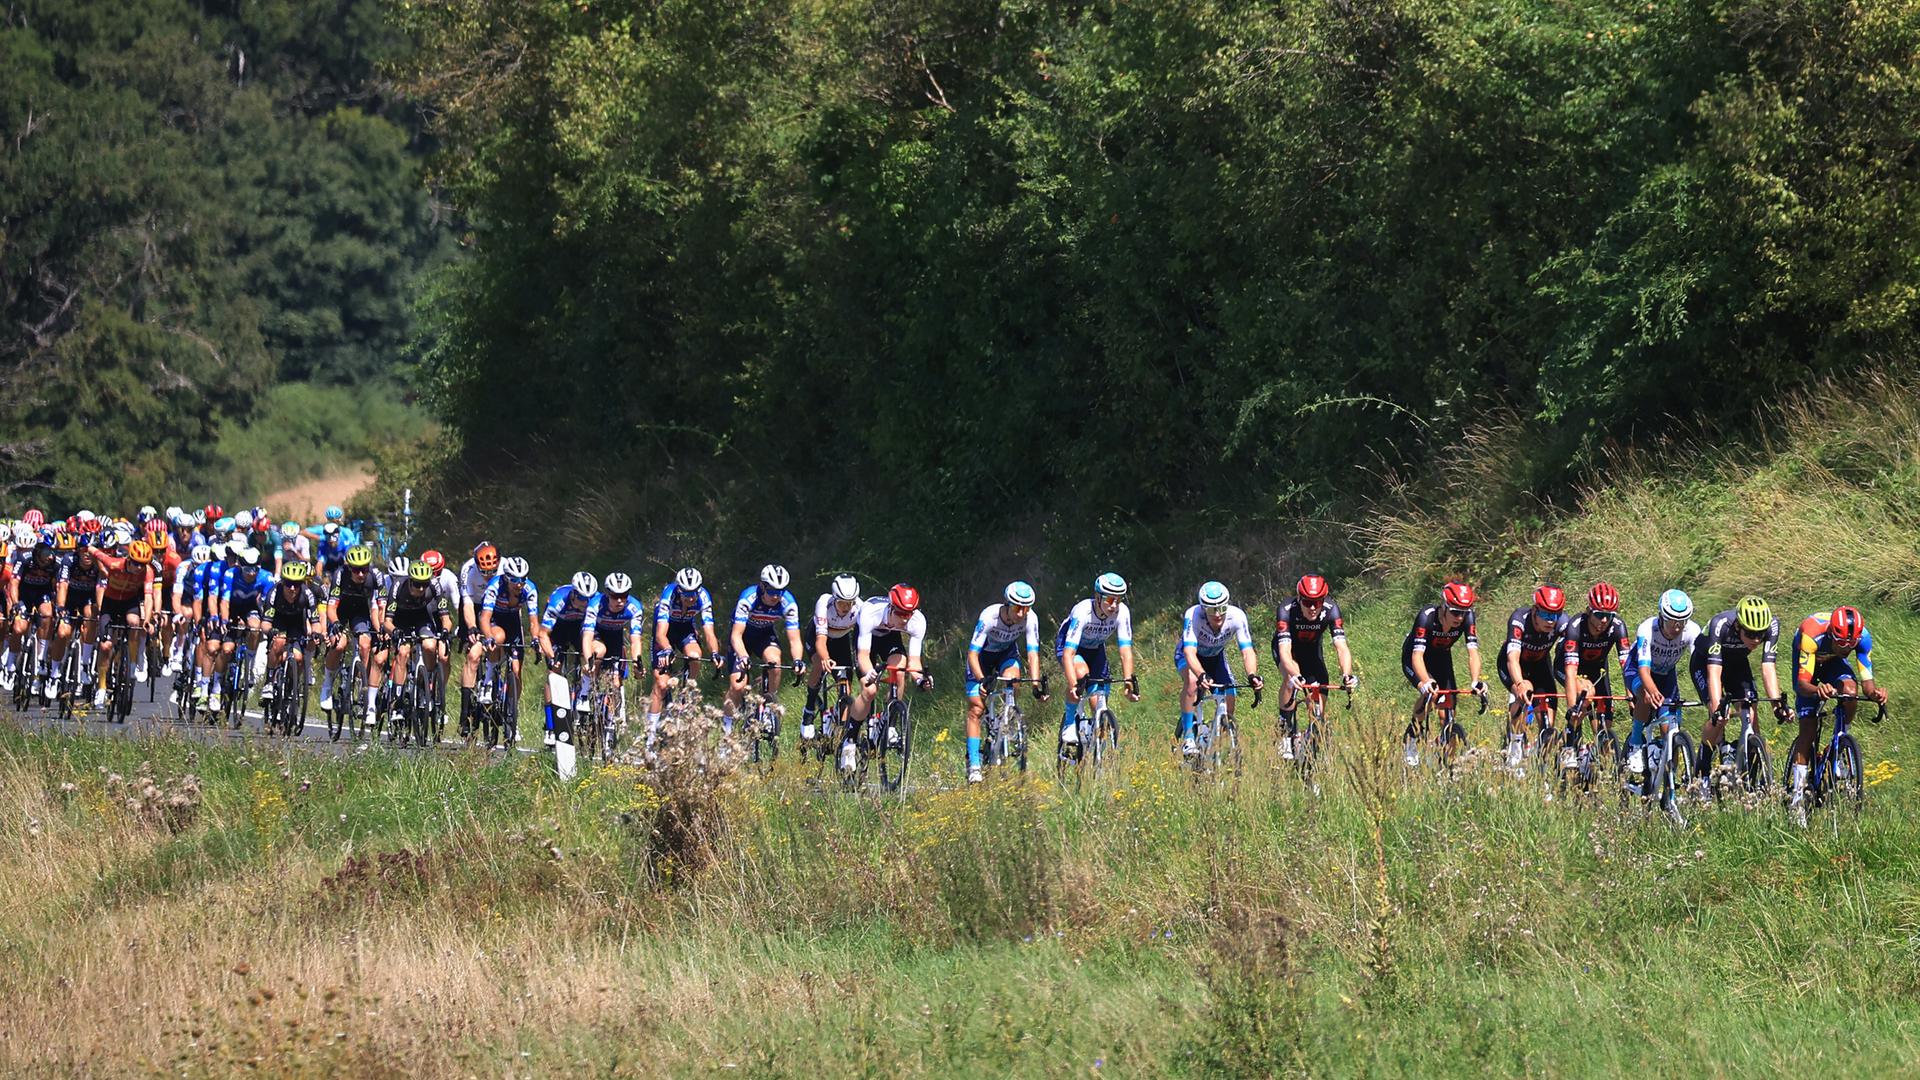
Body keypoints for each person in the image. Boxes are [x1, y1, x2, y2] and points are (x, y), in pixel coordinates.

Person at [1786, 605, 1885, 819]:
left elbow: (1867, 684)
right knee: (1808, 731)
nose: (1846, 649)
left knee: (1850, 691)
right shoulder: (1811, 635)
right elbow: (1802, 685)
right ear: (1832, 634)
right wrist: (1817, 689)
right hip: (1809, 662)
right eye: (1841, 643)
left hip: (1832, 664)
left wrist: (1875, 693)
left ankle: (1839, 744)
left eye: (1851, 645)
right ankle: (1797, 800)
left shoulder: (1863, 638)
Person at [1689, 595, 1786, 777]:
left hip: (1737, 663)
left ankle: (1752, 775)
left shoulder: (1772, 625)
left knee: (1750, 711)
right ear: (1737, 626)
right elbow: (1714, 672)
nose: (1756, 640)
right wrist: (1719, 708)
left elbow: (1768, 667)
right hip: (1705, 663)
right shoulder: (1721, 624)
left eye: (1760, 634)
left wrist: (1777, 706)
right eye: (1750, 634)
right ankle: (1702, 772)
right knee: (1718, 717)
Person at [963, 581, 1046, 783]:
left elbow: (1033, 654)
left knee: (1013, 680)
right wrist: (982, 680)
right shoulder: (989, 616)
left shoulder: (1030, 619)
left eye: (1027, 608)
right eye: (1018, 608)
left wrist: (1036, 684)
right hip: (981, 658)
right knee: (976, 708)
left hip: (1006, 655)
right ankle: (974, 764)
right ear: (1008, 604)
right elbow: (972, 654)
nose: (1022, 613)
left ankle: (1006, 716)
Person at [844, 584, 931, 772]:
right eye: (900, 613)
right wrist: (869, 673)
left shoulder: (917, 621)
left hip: (890, 638)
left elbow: (914, 663)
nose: (905, 619)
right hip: (866, 640)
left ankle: (889, 724)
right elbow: (863, 656)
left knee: (899, 671)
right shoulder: (871, 612)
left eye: (909, 614)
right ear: (891, 608)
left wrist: (920, 679)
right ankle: (849, 741)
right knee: (870, 690)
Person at [1174, 581, 1263, 759]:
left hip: (1216, 659)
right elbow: (1189, 652)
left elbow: (1247, 651)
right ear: (1203, 608)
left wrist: (1252, 675)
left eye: (1222, 608)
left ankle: (1218, 743)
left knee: (1229, 696)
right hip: (1190, 657)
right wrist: (1200, 674)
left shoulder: (1237, 616)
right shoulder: (1193, 615)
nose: (1217, 614)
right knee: (1192, 682)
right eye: (1211, 610)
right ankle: (1189, 738)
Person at [1270, 573, 1354, 761]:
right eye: (1308, 602)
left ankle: (1312, 743)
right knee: (1290, 679)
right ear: (1299, 598)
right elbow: (1284, 652)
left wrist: (1347, 675)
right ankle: (1284, 729)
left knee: (1318, 710)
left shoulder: (1332, 610)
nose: (1313, 607)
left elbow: (1341, 648)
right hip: (1288, 650)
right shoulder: (1286, 609)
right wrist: (1294, 674)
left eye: (1318, 601)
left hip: (1312, 651)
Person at [1401, 581, 1486, 766]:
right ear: (1444, 607)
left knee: (1448, 713)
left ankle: (1445, 760)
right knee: (1430, 693)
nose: (1460, 617)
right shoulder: (1427, 616)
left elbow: (1473, 652)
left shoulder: (1467, 617)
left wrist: (1475, 681)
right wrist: (1425, 682)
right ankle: (1412, 737)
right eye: (1455, 612)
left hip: (1441, 658)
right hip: (1415, 657)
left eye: (1463, 612)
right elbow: (1417, 656)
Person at [1622, 588, 1702, 780]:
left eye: (1682, 622)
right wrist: (1651, 690)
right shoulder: (1647, 629)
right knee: (1646, 695)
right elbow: (1643, 670)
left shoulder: (1692, 630)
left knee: (1669, 728)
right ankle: (1634, 743)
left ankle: (1667, 776)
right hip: (1637, 669)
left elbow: (1701, 664)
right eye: (1672, 621)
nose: (1677, 627)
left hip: (1666, 675)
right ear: (1661, 616)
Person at [1057, 572, 1140, 754]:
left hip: (1095, 649)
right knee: (1080, 675)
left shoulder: (1122, 612)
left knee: (1099, 701)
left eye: (1118, 600)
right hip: (1071, 648)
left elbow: (1125, 651)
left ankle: (1097, 750)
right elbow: (1069, 653)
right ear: (1097, 597)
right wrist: (1073, 685)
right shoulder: (1082, 611)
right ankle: (1070, 723)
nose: (1114, 605)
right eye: (1109, 599)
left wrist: (1128, 681)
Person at [1556, 581, 1633, 768]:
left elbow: (1626, 665)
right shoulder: (1575, 626)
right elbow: (1570, 669)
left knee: (1605, 722)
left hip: (1597, 670)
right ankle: (1568, 747)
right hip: (1567, 666)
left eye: (1609, 616)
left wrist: (1632, 695)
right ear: (1589, 611)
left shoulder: (1618, 627)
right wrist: (1572, 707)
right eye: (1599, 615)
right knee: (1585, 695)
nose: (1604, 621)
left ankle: (1592, 761)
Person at [724, 565, 805, 736]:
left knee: (774, 662)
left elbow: (795, 639)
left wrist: (798, 660)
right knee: (737, 686)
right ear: (762, 586)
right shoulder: (748, 598)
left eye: (780, 591)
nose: (776, 596)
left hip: (764, 635)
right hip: (741, 637)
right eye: (771, 591)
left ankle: (766, 708)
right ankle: (727, 728)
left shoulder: (788, 602)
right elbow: (736, 636)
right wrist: (744, 657)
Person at [645, 568, 719, 748]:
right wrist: (668, 650)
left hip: (685, 628)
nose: (691, 598)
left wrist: (715, 653)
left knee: (695, 655)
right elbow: (661, 634)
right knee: (661, 684)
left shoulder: (703, 597)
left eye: (694, 593)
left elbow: (709, 633)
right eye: (686, 593)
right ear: (679, 590)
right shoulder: (668, 595)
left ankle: (689, 690)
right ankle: (650, 737)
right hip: (665, 631)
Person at [1499, 584, 1567, 773]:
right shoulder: (1519, 619)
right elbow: (1512, 658)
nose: (1551, 621)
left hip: (1540, 665)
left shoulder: (1562, 623)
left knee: (1548, 723)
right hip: (1513, 664)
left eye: (1556, 615)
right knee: (1521, 695)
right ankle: (1514, 746)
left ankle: (1540, 761)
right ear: (1535, 610)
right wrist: (1519, 684)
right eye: (1546, 614)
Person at [386, 559, 454, 732]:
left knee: (430, 646)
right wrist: (394, 631)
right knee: (403, 652)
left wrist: (445, 631)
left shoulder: (435, 587)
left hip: (422, 617)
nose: (421, 589)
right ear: (410, 580)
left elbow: (446, 618)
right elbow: (387, 621)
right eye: (417, 584)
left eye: (425, 584)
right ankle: (398, 700)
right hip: (400, 619)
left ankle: (427, 686)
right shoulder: (397, 588)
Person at [476, 556, 538, 747]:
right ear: (506, 577)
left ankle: (512, 714)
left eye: (523, 579)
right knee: (498, 638)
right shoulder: (495, 585)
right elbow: (485, 618)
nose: (519, 584)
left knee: (517, 671)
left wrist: (535, 639)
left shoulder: (529, 589)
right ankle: (488, 678)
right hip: (494, 620)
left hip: (513, 622)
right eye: (515, 580)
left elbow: (534, 621)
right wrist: (487, 637)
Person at [800, 574, 863, 751]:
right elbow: (821, 641)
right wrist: (826, 658)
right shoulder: (824, 603)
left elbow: (863, 639)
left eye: (849, 603)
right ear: (835, 598)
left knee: (846, 687)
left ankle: (839, 727)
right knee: (820, 665)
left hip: (841, 640)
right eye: (842, 602)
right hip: (818, 637)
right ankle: (809, 708)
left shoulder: (860, 607)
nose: (846, 607)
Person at [580, 572, 639, 754]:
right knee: (599, 651)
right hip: (596, 635)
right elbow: (587, 636)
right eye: (615, 596)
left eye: (624, 595)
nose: (620, 600)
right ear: (607, 594)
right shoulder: (595, 604)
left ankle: (609, 725)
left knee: (615, 683)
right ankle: (585, 691)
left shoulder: (634, 607)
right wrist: (589, 660)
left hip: (615, 638)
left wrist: (637, 662)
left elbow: (635, 640)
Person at [536, 571, 597, 745]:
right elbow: (543, 634)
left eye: (589, 599)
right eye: (582, 599)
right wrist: (551, 656)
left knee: (592, 655)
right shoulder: (558, 601)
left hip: (580, 629)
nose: (586, 603)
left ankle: (584, 694)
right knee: (553, 672)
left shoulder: (595, 601)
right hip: (559, 630)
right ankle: (549, 726)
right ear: (573, 594)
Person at [259, 561, 325, 706]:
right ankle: (269, 681)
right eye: (289, 584)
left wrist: (317, 634)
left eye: (297, 584)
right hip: (278, 621)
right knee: (279, 643)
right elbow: (264, 623)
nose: (293, 588)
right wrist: (270, 631)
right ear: (282, 582)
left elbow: (315, 622)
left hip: (296, 623)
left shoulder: (308, 595)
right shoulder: (274, 593)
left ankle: (289, 688)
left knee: (299, 658)